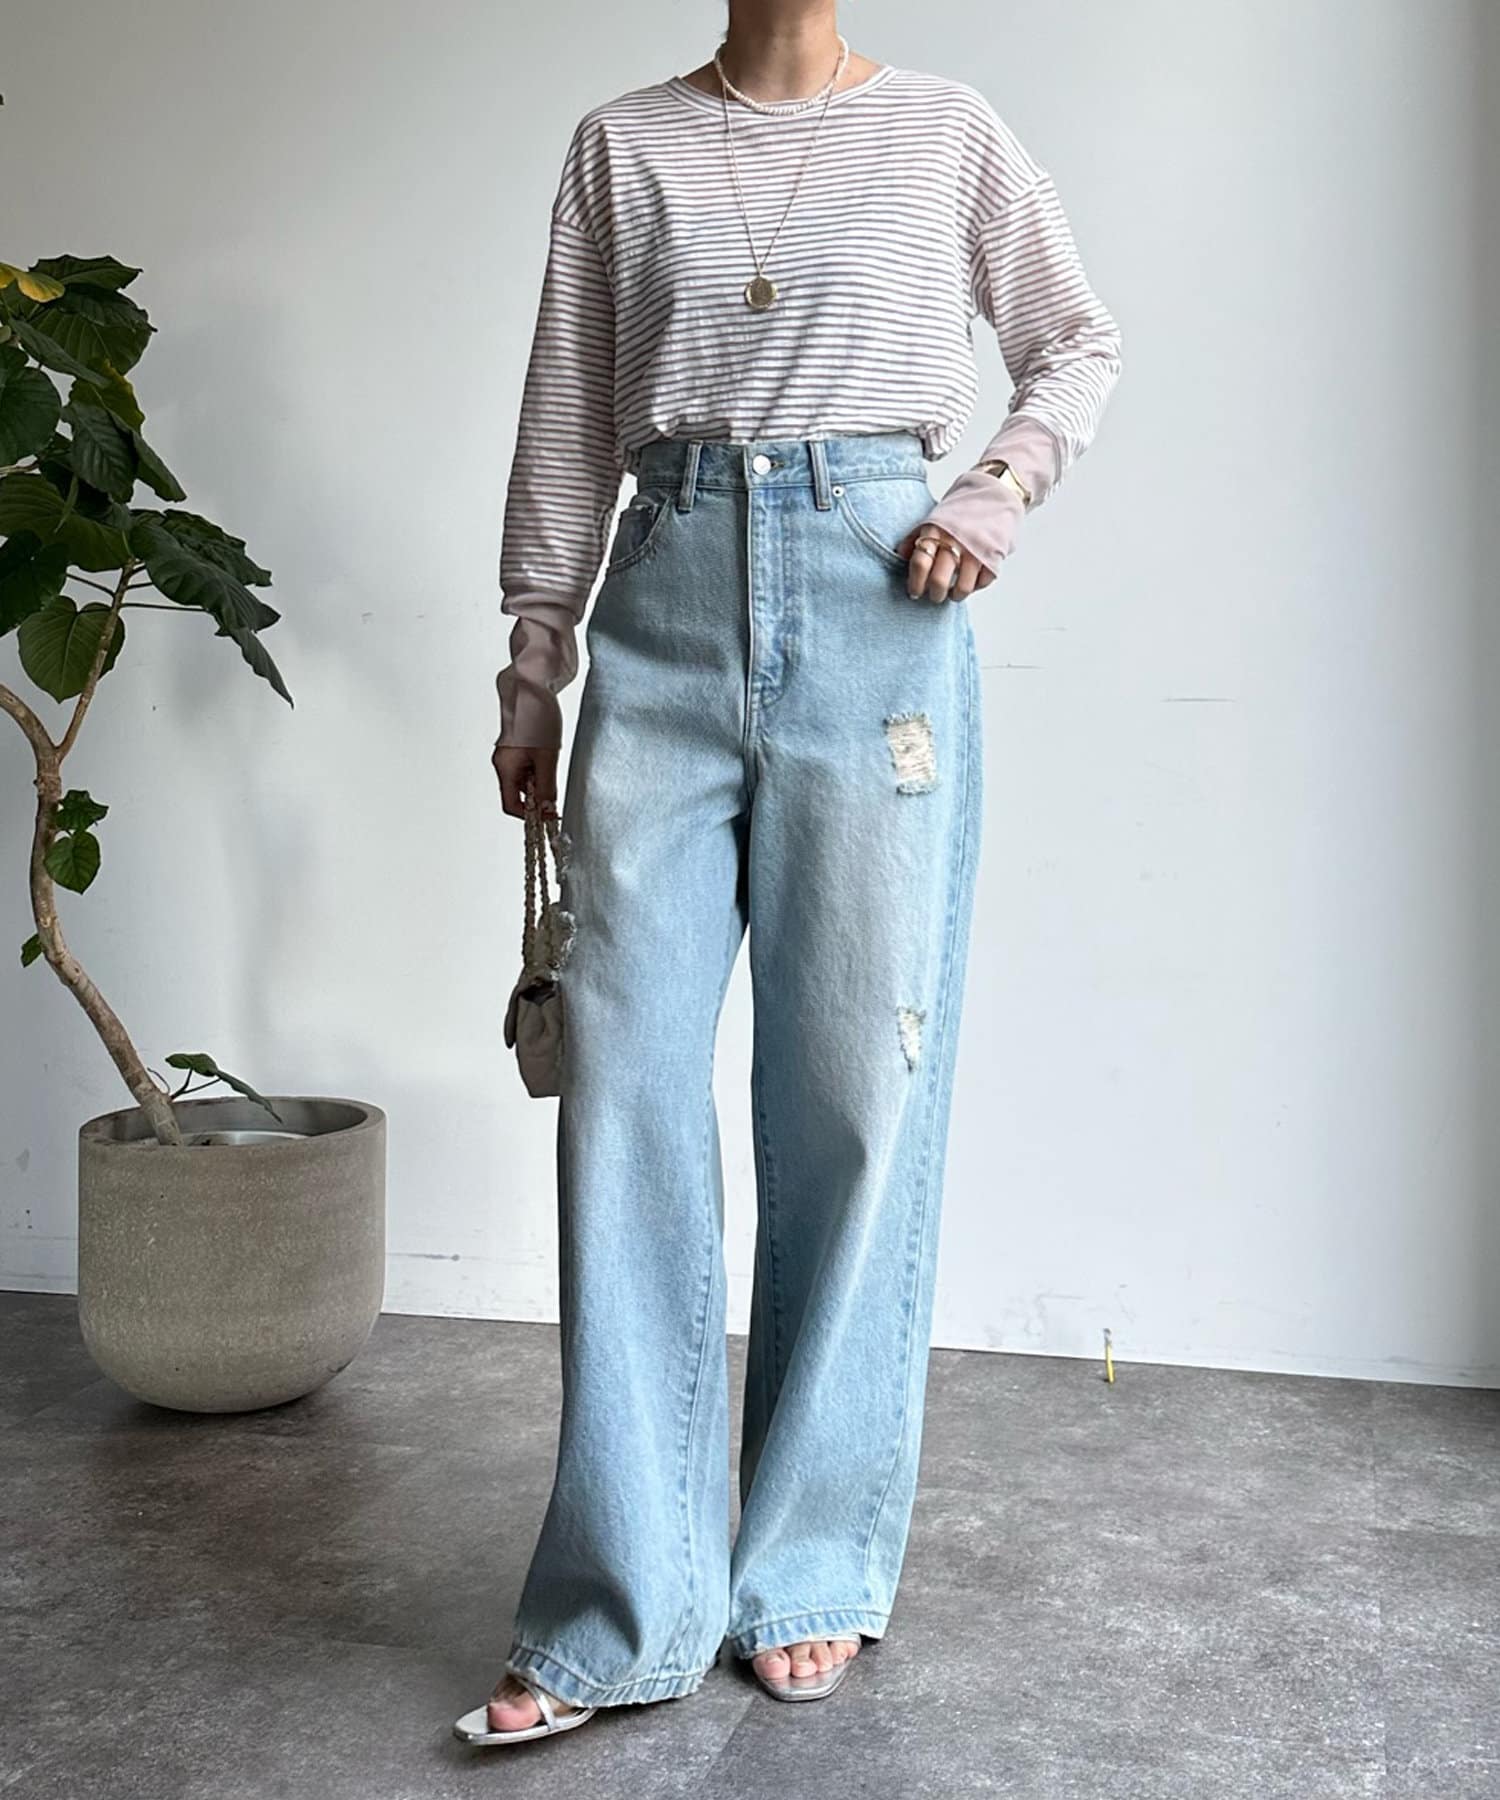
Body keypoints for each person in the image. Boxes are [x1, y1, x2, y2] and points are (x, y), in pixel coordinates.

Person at [458, 0, 1123, 1747]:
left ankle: (810, 1561)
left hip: (878, 608)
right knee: (624, 1096)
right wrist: (535, 663)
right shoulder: (623, 145)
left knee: (848, 1093)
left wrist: (996, 486)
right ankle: (623, 1600)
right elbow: (566, 417)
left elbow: (1076, 339)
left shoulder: (950, 131)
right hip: (664, 611)